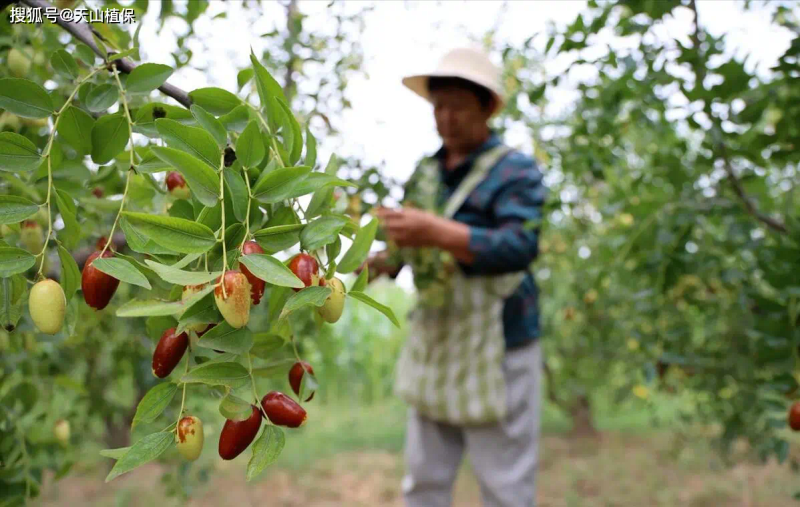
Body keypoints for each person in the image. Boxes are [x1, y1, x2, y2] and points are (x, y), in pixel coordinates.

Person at [358, 47, 548, 507]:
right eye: (438, 106)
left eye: (458, 107)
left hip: (499, 345)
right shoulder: (425, 174)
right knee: (424, 481)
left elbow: (520, 247)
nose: (445, 117)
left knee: (505, 486)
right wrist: (377, 262)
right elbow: (408, 255)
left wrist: (437, 231)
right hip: (439, 342)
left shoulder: (514, 171)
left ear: (487, 107)